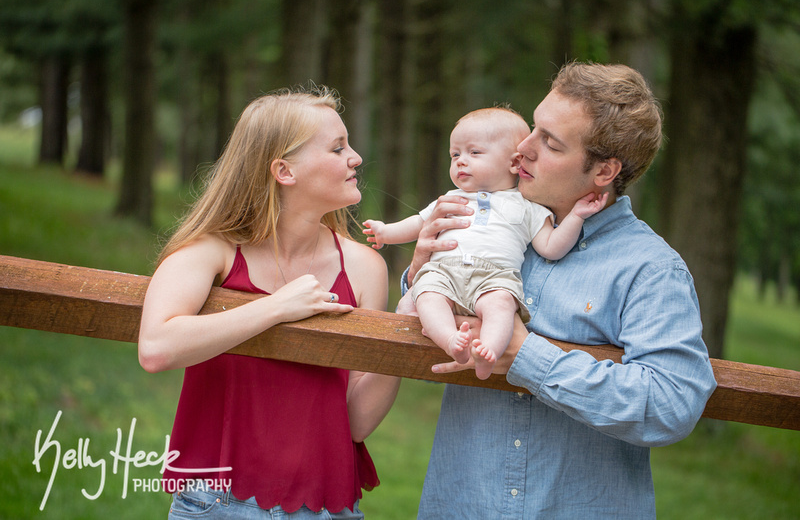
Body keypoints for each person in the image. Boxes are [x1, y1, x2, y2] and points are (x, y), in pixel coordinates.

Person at [403, 62, 717, 519]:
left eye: (549, 142)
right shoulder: (492, 222)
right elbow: (413, 321)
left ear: (604, 170)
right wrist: (417, 273)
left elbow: (672, 403)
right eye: (533, 128)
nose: (522, 148)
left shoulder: (650, 269)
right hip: (460, 505)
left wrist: (526, 355)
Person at [138, 87, 400, 519]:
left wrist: (402, 327)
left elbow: (356, 422)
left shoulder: (365, 268)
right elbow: (156, 347)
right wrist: (276, 307)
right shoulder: (212, 251)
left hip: (325, 507)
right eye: (338, 148)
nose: (355, 158)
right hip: (213, 504)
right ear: (284, 171)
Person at [363, 107, 606, 379]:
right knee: (429, 297)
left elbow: (551, 246)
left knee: (501, 305)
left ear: (514, 163)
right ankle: (451, 342)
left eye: (474, 153)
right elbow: (419, 224)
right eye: (455, 155)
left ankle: (488, 351)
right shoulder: (451, 198)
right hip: (443, 271)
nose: (460, 162)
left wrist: (575, 217)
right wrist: (386, 232)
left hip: (494, 276)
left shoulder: (527, 206)